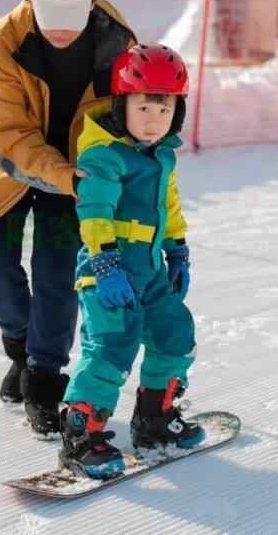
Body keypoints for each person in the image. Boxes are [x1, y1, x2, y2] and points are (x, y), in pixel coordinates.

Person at [0, 0, 136, 437]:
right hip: (7, 159)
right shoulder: (2, 42)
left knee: (58, 267)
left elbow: (125, 122)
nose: (63, 30)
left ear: (92, 0)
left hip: (79, 164)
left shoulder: (119, 43)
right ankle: (21, 345)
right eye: (52, 17)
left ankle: (44, 380)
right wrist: (62, 175)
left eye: (73, 17)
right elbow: (10, 133)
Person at [58, 43, 204, 479]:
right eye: (143, 108)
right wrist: (104, 262)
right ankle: (82, 435)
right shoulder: (103, 155)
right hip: (109, 272)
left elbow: (169, 203)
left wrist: (177, 246)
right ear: (122, 105)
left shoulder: (162, 155)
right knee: (112, 346)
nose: (153, 121)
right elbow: (94, 212)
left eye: (164, 111)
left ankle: (155, 419)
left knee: (174, 332)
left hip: (150, 269)